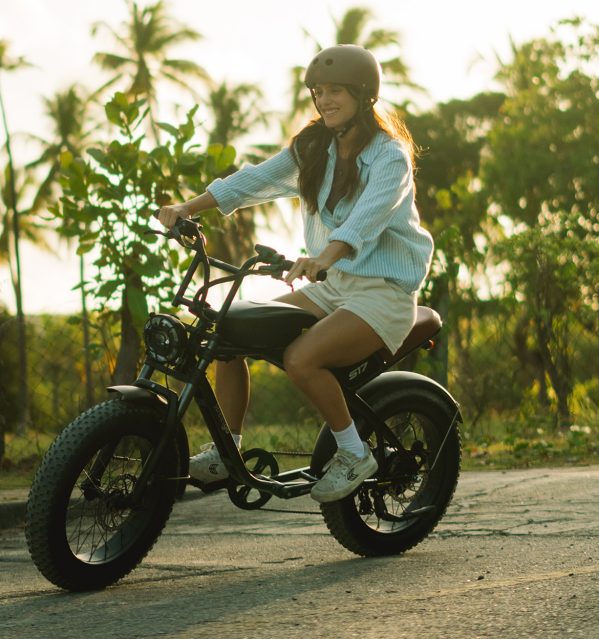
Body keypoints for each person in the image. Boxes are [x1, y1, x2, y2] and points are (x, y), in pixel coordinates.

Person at [156, 44, 433, 503]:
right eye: (318, 92)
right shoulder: (314, 146)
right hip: (332, 287)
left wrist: (325, 256)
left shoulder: (389, 157)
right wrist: (189, 206)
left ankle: (353, 452)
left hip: (381, 293)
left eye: (335, 91)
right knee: (229, 331)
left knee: (301, 358)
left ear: (363, 94)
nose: (324, 101)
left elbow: (366, 218)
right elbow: (255, 180)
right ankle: (229, 452)